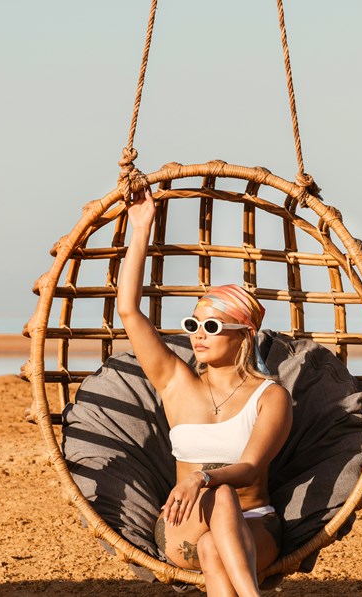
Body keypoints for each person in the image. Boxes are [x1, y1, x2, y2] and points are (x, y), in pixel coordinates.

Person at [116, 187, 293, 596]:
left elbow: (249, 469)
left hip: (255, 525)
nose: (198, 335)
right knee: (218, 500)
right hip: (183, 527)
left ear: (245, 334)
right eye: (192, 325)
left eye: (211, 327)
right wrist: (141, 225)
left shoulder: (270, 397)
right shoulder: (177, 383)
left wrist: (200, 477)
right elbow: (128, 310)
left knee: (222, 512)